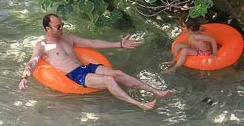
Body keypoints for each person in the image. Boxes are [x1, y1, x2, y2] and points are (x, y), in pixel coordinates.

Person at [19, 13, 172, 110]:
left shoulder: (68, 38)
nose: (61, 28)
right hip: (75, 75)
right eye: (58, 26)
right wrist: (25, 77)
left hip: (86, 67)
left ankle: (157, 91)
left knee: (117, 73)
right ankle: (140, 104)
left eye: (62, 25)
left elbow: (92, 42)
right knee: (109, 80)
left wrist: (119, 44)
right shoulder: (42, 46)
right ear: (47, 28)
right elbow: (33, 61)